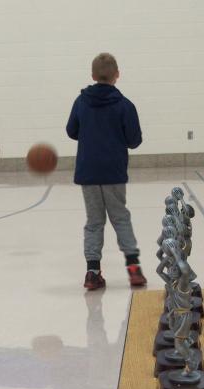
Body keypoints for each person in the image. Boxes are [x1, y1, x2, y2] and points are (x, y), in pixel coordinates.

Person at [66, 52, 147, 290]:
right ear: (117, 75)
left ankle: (92, 272)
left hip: (88, 172)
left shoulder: (81, 102)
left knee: (94, 221)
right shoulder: (125, 105)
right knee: (120, 217)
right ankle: (134, 269)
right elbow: (134, 141)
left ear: (92, 75)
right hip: (113, 171)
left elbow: (72, 131)